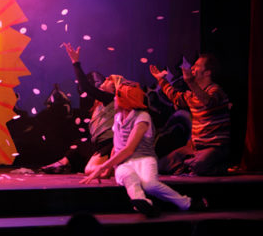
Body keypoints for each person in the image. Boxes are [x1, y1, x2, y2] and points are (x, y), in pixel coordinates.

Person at [80, 79, 206, 217]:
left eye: (117, 96)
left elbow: (129, 149)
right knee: (128, 176)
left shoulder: (142, 117)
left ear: (126, 100)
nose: (114, 99)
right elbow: (117, 146)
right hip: (124, 163)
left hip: (143, 160)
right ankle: (142, 202)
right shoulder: (117, 118)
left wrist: (102, 167)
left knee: (150, 185)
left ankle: (186, 202)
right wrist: (109, 170)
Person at [41, 43, 117, 177]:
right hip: (98, 143)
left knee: (90, 169)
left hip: (109, 144)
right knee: (79, 145)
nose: (106, 79)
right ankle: (62, 164)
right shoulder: (101, 104)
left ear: (114, 89)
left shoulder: (111, 99)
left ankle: (113, 169)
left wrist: (75, 62)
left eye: (110, 80)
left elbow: (86, 87)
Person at [150, 54, 231, 176]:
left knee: (199, 164)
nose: (192, 67)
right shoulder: (192, 95)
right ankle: (189, 167)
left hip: (215, 148)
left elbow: (207, 101)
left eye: (197, 65)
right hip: (195, 148)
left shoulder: (216, 90)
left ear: (207, 72)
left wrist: (191, 82)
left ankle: (215, 167)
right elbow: (175, 97)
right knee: (160, 166)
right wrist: (160, 79)